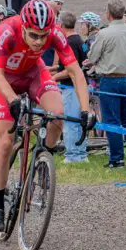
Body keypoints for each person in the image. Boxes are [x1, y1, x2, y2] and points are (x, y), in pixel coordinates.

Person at [0, 0, 90, 231]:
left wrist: (86, 110)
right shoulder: (6, 31)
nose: (39, 41)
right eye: (34, 35)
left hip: (35, 74)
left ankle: (42, 159)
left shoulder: (56, 33)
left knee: (58, 114)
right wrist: (13, 100)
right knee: (5, 143)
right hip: (6, 81)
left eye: (44, 36)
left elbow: (76, 73)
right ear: (23, 27)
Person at [85, 0, 126, 168]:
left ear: (108, 14)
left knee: (112, 120)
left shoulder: (104, 33)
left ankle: (117, 158)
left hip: (110, 79)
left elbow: (93, 57)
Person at [52, 11, 88, 163]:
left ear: (61, 25)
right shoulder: (79, 39)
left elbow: (70, 70)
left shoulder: (70, 43)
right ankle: (81, 152)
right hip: (79, 87)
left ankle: (73, 154)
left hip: (71, 87)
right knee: (79, 122)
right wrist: (49, 70)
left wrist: (54, 78)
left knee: (71, 122)